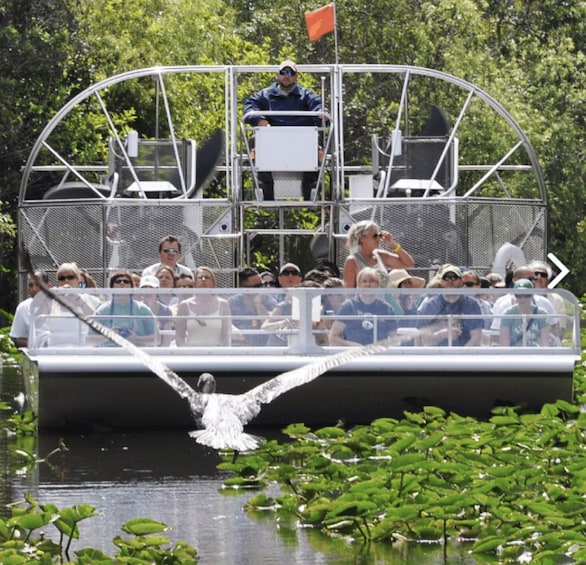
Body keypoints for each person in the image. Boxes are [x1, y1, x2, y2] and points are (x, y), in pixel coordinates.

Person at [243, 60, 324, 201]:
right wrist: (260, 120)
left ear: (296, 76)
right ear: (277, 75)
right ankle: (266, 192)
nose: (287, 76)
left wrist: (321, 113)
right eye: (283, 72)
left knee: (316, 143)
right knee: (255, 141)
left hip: (301, 139)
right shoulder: (265, 94)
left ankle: (310, 193)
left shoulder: (306, 94)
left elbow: (317, 105)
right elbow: (249, 106)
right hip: (272, 137)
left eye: (291, 73)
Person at [29, 263, 96, 348]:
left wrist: (79, 300)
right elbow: (37, 323)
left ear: (77, 279)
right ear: (58, 282)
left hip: (81, 347)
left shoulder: (86, 298)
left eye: (70, 277)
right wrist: (48, 298)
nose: (66, 281)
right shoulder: (51, 300)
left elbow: (96, 321)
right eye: (62, 278)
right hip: (56, 348)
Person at [329, 267, 398, 346]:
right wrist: (354, 346)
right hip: (353, 355)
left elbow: (394, 339)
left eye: (372, 281)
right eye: (364, 281)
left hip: (378, 355)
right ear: (358, 284)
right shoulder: (348, 306)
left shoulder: (386, 308)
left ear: (378, 284)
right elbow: (333, 337)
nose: (368, 284)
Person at [416, 265, 483, 346]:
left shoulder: (472, 304)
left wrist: (460, 355)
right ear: (441, 281)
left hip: (465, 355)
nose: (450, 281)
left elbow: (476, 337)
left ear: (461, 282)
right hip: (436, 355)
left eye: (454, 277)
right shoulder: (430, 305)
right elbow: (425, 341)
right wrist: (442, 334)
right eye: (446, 278)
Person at [89, 271, 157, 347]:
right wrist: (108, 335)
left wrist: (137, 339)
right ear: (112, 288)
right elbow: (89, 340)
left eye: (126, 281)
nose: (122, 283)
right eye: (118, 281)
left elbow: (158, 339)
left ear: (132, 288)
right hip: (109, 355)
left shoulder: (142, 309)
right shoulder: (102, 311)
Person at [343, 220, 414, 288]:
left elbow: (409, 263)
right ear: (362, 238)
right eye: (375, 236)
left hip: (384, 300)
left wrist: (393, 245)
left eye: (379, 235)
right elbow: (348, 293)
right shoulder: (352, 261)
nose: (379, 239)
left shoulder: (381, 256)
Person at [175, 267, 231, 346]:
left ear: (213, 283)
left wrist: (223, 354)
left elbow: (226, 336)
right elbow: (179, 336)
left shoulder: (223, 304)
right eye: (200, 277)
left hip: (216, 355)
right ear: (194, 283)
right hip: (191, 355)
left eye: (207, 277)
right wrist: (185, 354)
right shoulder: (184, 305)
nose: (203, 279)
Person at [229, 267, 277, 346]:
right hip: (239, 348)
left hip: (265, 348)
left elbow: (270, 324)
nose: (261, 289)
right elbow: (225, 324)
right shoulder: (232, 303)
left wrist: (258, 303)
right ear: (243, 288)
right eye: (256, 287)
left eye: (262, 285)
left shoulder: (269, 300)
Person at [499, 279, 549, 347]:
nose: (522, 299)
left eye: (526, 295)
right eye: (519, 295)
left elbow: (545, 341)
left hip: (536, 353)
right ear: (514, 295)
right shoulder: (508, 314)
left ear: (532, 295)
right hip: (515, 354)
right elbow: (504, 343)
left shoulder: (541, 313)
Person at [10, 271, 50, 348]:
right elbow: (18, 340)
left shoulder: (58, 305)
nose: (34, 289)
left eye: (38, 284)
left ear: (48, 285)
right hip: (34, 357)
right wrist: (38, 346)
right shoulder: (23, 307)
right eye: (31, 285)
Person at [137, 275, 175, 346]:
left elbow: (166, 340)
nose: (148, 291)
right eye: (144, 288)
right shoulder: (135, 308)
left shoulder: (166, 310)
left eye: (151, 288)